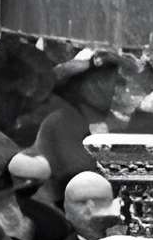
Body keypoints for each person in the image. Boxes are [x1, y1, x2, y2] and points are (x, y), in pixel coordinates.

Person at [30, 46, 139, 192]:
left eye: (108, 77)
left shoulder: (114, 123)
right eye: (93, 78)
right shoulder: (61, 121)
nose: (101, 85)